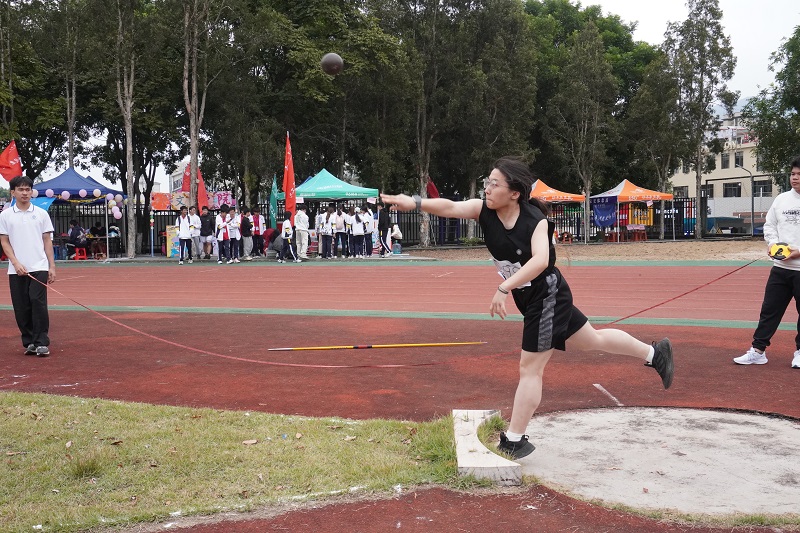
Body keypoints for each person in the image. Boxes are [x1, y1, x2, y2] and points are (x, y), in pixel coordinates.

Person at [380, 157, 673, 459]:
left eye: (494, 184)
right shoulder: (484, 210)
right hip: (532, 297)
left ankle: (515, 439)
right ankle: (655, 354)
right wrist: (415, 202)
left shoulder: (535, 221)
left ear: (514, 193)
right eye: (487, 182)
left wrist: (503, 288)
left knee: (530, 368)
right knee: (592, 340)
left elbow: (541, 261)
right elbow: (451, 207)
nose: (487, 189)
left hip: (547, 295)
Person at [734, 156, 800, 369]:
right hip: (780, 268)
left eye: (799, 175)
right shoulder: (781, 199)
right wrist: (773, 245)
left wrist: (798, 252)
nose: (795, 178)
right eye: (793, 174)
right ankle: (758, 351)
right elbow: (770, 225)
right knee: (769, 311)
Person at [0, 175, 56, 357]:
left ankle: (41, 342)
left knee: (37, 302)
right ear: (13, 192)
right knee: (21, 306)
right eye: (21, 189)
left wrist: (51, 266)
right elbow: (4, 241)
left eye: (28, 189)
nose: (25, 193)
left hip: (39, 266)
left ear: (32, 192)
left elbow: (47, 241)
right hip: (16, 269)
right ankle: (29, 341)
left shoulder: (41, 214)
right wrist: (15, 263)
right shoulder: (5, 215)